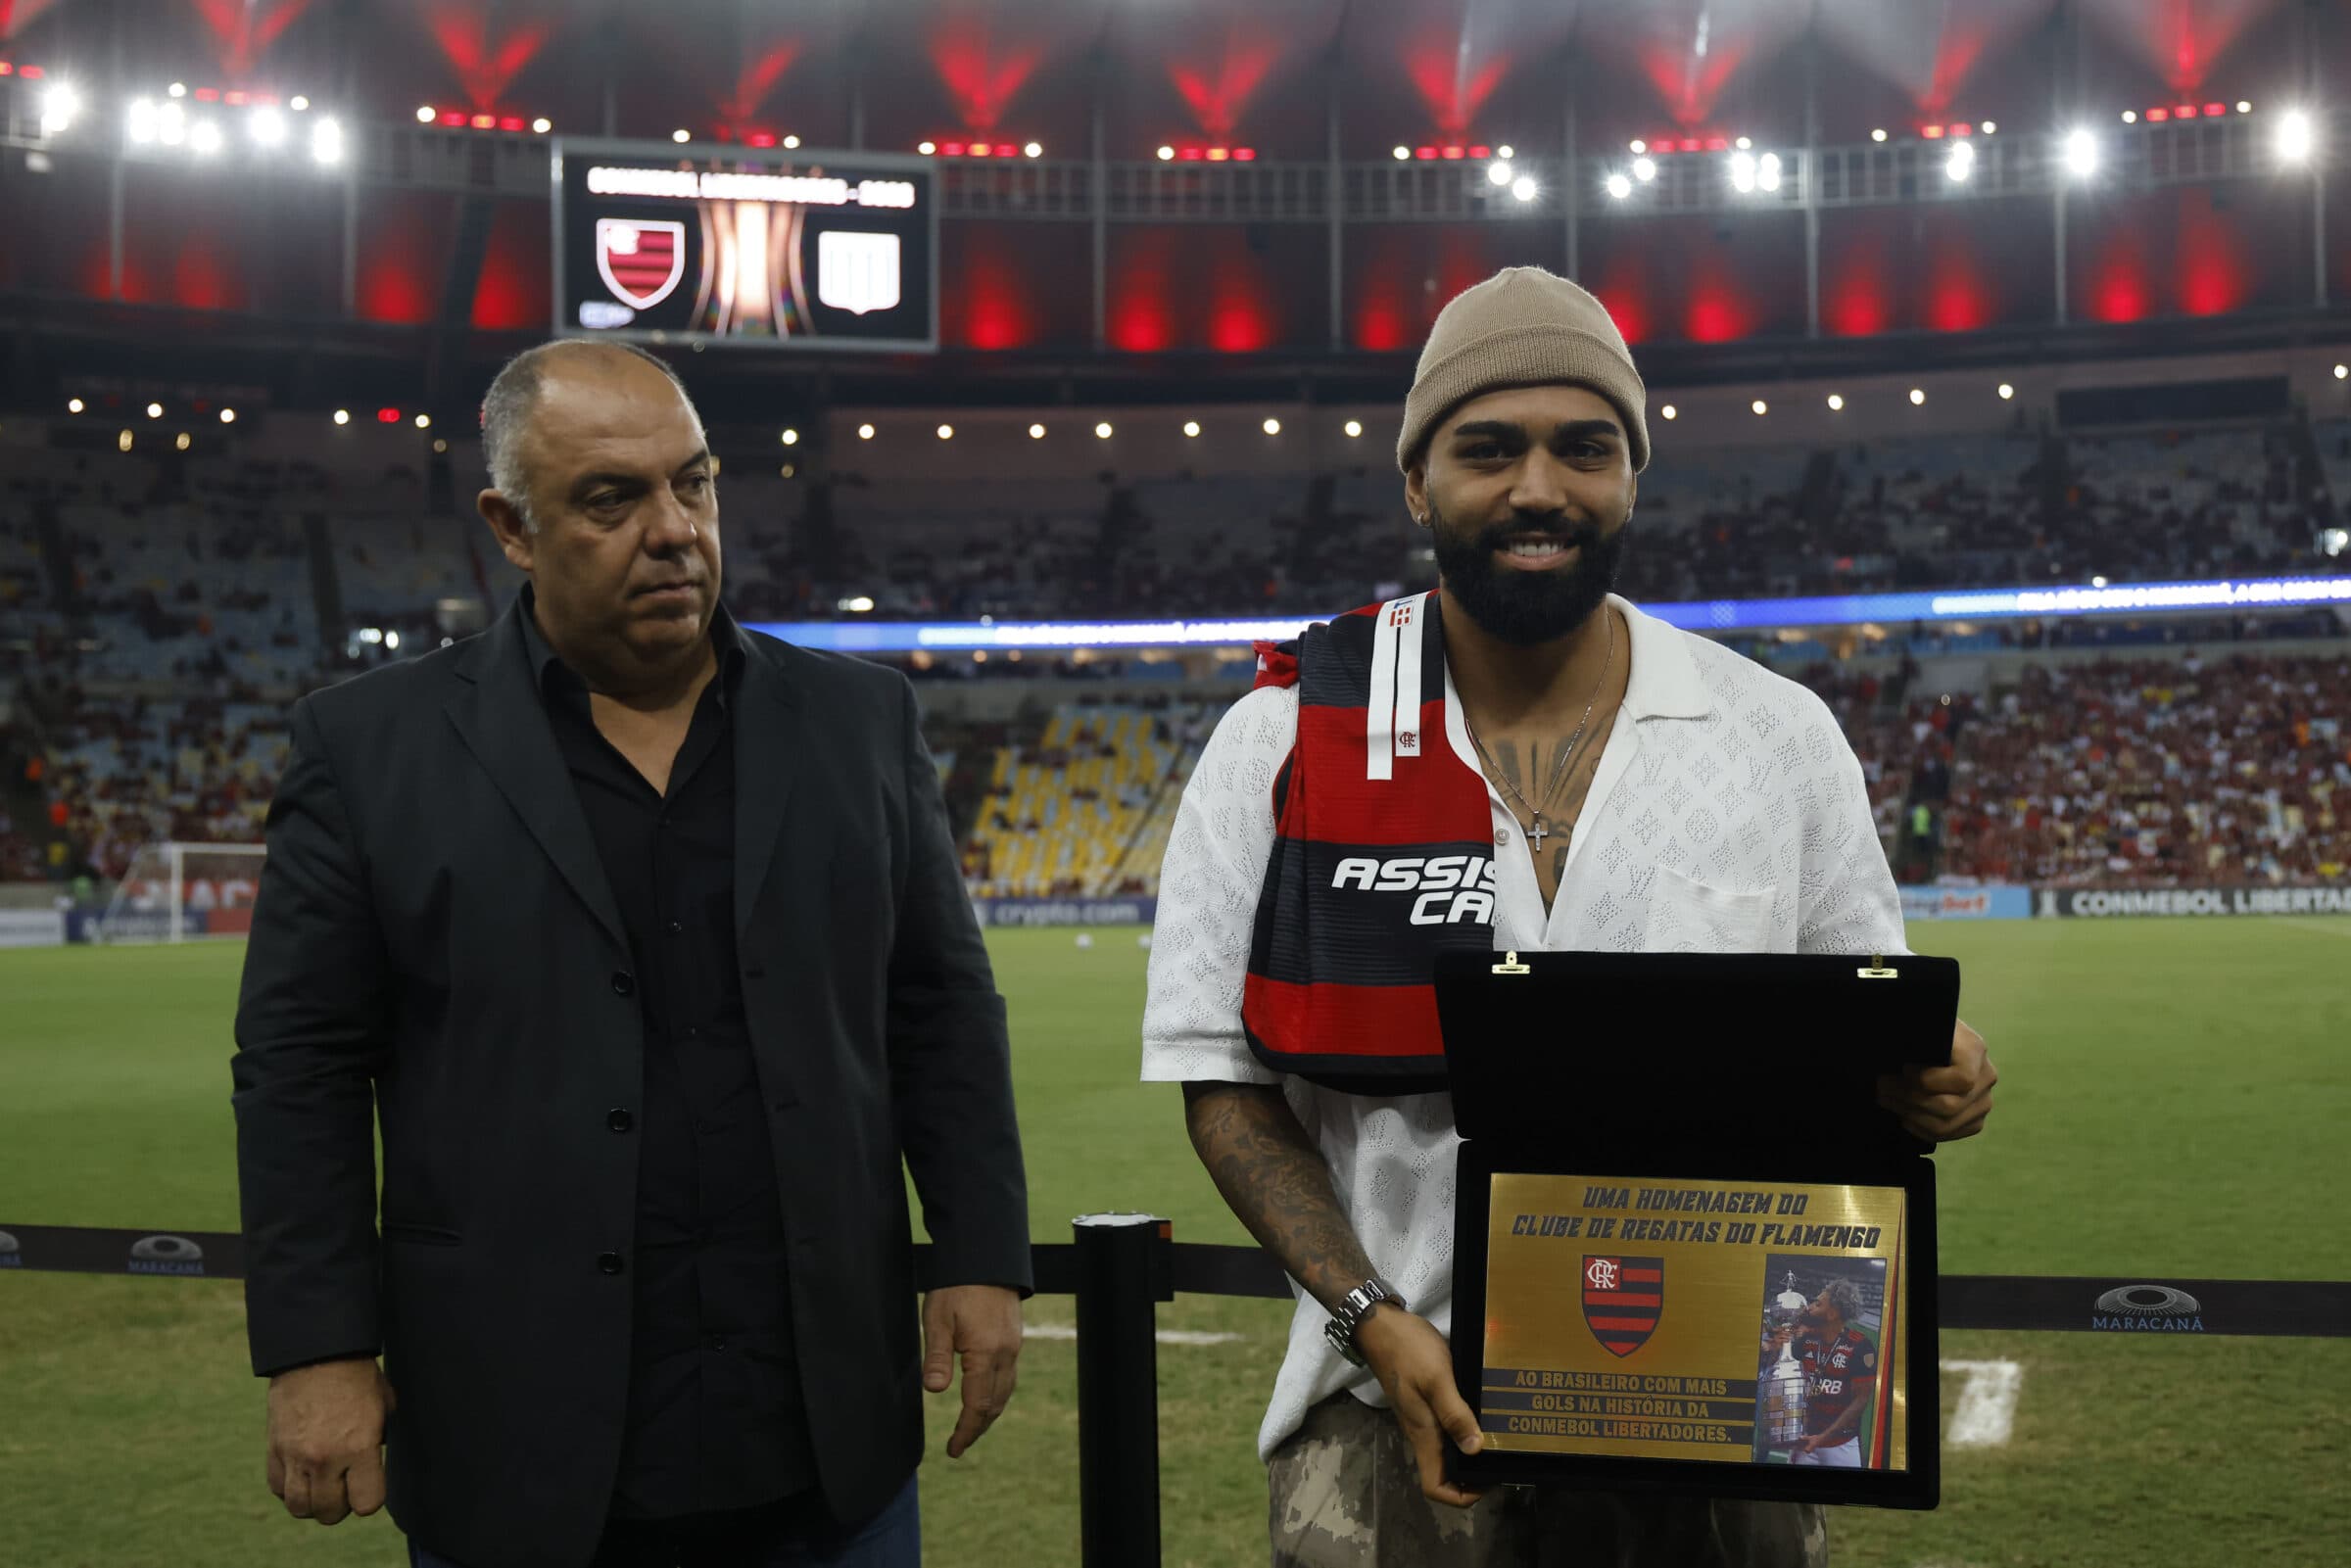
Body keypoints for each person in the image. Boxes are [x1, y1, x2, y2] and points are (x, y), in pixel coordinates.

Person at [1141, 266, 1997, 1567]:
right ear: (1417, 482)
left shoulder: (1779, 737)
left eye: (1583, 447)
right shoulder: (1280, 737)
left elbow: (1862, 1043)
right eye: (1489, 448)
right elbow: (1222, 1079)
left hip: (1725, 1422)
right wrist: (1373, 1314)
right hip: (1390, 1415)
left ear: (1633, 474)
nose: (1539, 486)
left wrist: (1933, 1078)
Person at [233, 340, 1031, 1568]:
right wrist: (317, 1349)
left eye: (693, 483)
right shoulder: (366, 748)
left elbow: (940, 1006)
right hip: (517, 1442)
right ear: (511, 524)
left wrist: (978, 1251)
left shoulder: (860, 720)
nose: (672, 529)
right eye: (611, 498)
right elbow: (299, 1066)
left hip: (822, 1445)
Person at [1765, 1280, 1879, 1469]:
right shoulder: (1805, 1340)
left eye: (1818, 1304)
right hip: (1803, 1442)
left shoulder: (1859, 1346)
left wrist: (1822, 1438)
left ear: (1832, 1313)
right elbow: (1777, 1376)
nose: (1809, 1307)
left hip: (1840, 1446)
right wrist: (1778, 1348)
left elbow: (1860, 1400)